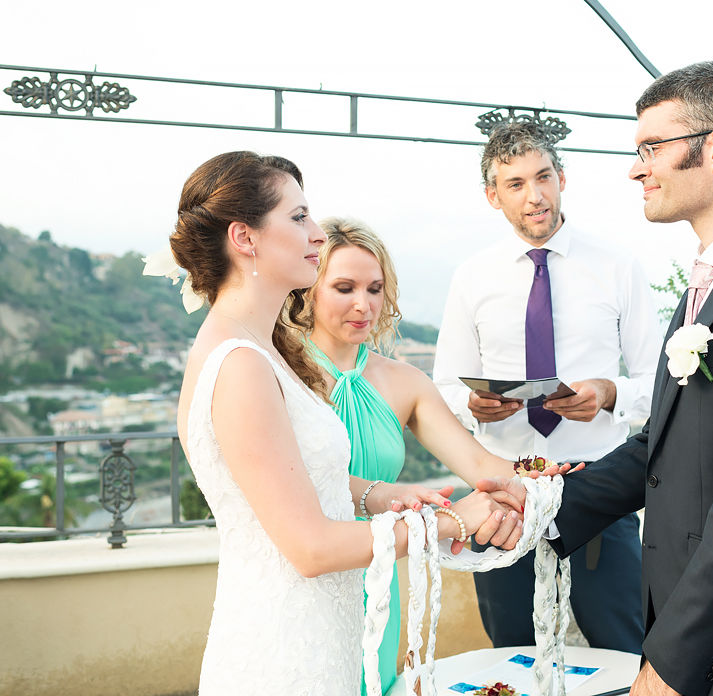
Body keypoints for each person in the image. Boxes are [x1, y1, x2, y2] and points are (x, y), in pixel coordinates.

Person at [478, 62, 713, 696]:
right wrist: (536, 510)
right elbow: (658, 451)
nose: (636, 169)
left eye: (651, 147)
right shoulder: (711, 285)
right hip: (708, 634)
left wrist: (670, 664)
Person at [170, 151, 521, 696]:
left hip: (323, 631)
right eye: (298, 216)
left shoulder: (256, 352)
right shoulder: (241, 364)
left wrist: (381, 494)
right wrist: (453, 522)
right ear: (245, 238)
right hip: (288, 648)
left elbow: (292, 483)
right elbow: (310, 548)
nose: (315, 233)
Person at [289, 217, 578, 693]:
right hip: (301, 572)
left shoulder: (404, 381)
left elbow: (482, 467)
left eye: (375, 288)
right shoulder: (278, 374)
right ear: (307, 291)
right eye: (344, 288)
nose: (364, 305)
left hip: (375, 578)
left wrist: (549, 480)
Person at [433, 122, 660, 653]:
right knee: (511, 648)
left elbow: (661, 383)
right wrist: (472, 405)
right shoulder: (471, 277)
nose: (534, 196)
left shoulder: (619, 267)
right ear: (493, 195)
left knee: (626, 644)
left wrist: (610, 395)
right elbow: (443, 388)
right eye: (514, 184)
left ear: (562, 178)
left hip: (601, 487)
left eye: (543, 178)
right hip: (503, 494)